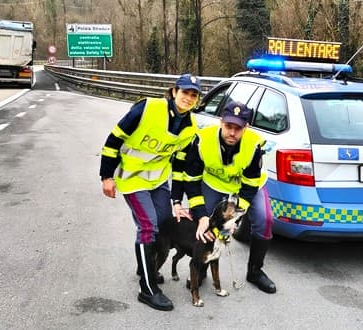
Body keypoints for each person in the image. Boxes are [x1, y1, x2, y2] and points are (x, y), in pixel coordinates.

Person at [99, 73, 200, 311]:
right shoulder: (147, 108)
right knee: (148, 226)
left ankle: (144, 265)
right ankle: (147, 288)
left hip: (157, 180)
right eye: (185, 92)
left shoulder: (190, 127)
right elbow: (114, 140)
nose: (188, 98)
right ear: (174, 91)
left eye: (194, 95)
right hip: (132, 179)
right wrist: (106, 176)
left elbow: (179, 165)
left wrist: (177, 200)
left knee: (165, 221)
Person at [178, 100, 277, 294]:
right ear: (221, 122)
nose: (232, 132)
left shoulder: (253, 145)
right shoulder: (203, 139)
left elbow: (249, 186)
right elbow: (191, 180)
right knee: (203, 223)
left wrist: (234, 219)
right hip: (213, 183)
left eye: (238, 128)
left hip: (247, 186)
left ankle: (255, 271)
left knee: (265, 220)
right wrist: (200, 214)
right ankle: (201, 265)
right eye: (228, 126)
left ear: (246, 127)